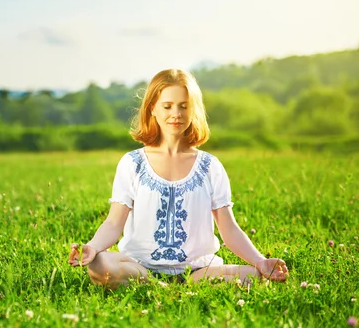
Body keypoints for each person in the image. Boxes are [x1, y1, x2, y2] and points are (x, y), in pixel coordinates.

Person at [68, 69, 288, 289]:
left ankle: (169, 288)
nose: (176, 113)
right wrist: (93, 247)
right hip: (138, 267)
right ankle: (162, 287)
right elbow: (114, 223)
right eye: (167, 106)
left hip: (199, 270)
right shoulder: (132, 163)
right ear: (152, 108)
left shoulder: (210, 166)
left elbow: (229, 229)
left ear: (194, 111)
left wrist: (260, 261)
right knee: (99, 264)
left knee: (254, 276)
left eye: (184, 106)